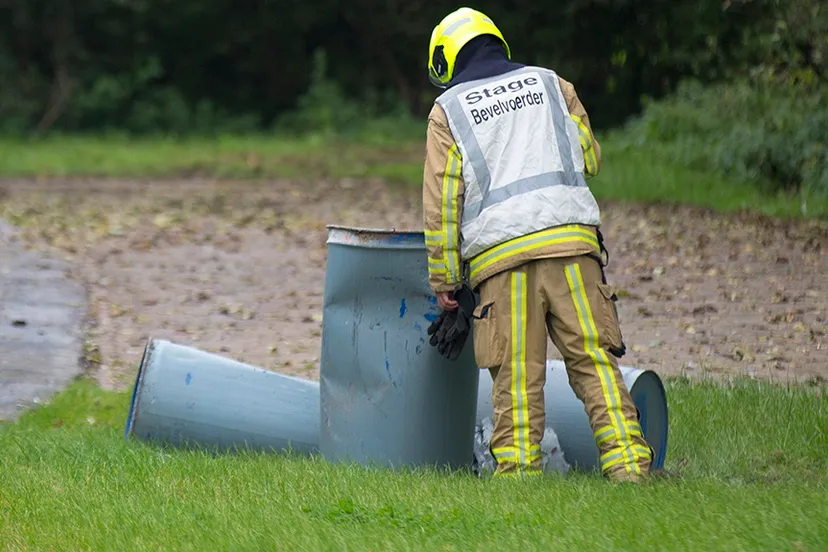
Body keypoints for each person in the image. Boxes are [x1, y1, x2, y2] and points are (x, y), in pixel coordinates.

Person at [422, 7, 653, 482]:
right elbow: (589, 156)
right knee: (594, 362)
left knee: (517, 376)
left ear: (444, 62)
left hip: (504, 264)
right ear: (497, 41)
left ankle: (519, 481)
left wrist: (445, 279)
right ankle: (630, 467)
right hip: (573, 249)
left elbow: (443, 203)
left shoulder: (448, 111)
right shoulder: (552, 84)